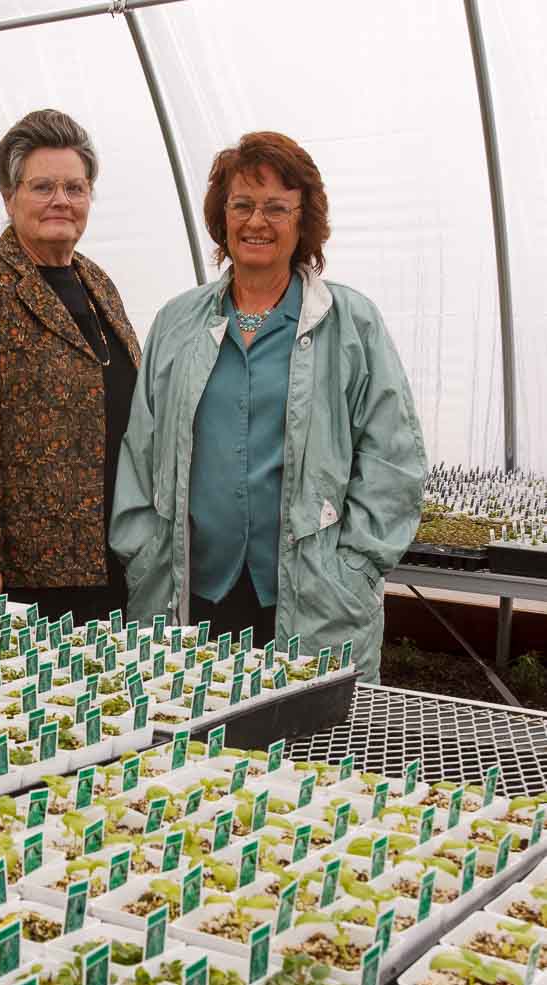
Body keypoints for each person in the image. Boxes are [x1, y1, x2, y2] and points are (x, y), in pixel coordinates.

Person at [109, 131, 426, 681]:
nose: (257, 221)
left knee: (309, 752)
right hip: (193, 589)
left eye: (277, 207)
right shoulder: (178, 323)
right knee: (190, 745)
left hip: (313, 596)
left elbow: (393, 458)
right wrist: (142, 553)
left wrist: (354, 564)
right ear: (222, 216)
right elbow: (141, 450)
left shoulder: (350, 323)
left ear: (304, 222)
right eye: (242, 205)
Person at [0, 108, 140, 623]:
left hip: (104, 556)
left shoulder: (97, 282)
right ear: (9, 196)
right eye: (43, 186)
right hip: (21, 573)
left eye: (75, 187)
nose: (61, 200)